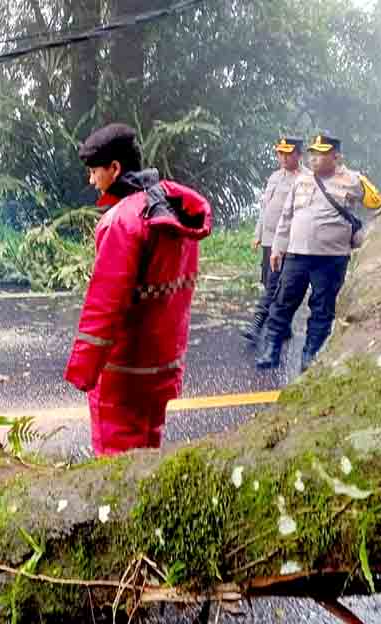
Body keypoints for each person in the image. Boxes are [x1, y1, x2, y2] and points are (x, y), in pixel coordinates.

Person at [64, 123, 213, 456]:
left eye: (93, 172)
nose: (91, 181)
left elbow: (105, 304)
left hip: (124, 372)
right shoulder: (174, 208)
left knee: (116, 461)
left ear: (115, 169)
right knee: (148, 449)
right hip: (162, 361)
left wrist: (84, 371)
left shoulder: (122, 221)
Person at [256, 134, 381, 372]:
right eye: (313, 153)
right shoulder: (302, 180)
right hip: (297, 254)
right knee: (283, 301)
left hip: (331, 258)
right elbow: (287, 216)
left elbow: (380, 208)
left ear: (336, 156)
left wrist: (363, 236)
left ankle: (310, 355)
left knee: (322, 308)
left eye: (322, 153)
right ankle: (271, 349)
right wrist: (277, 247)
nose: (315, 158)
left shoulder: (354, 181)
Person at [242, 137, 305, 344]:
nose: (283, 157)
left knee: (274, 283)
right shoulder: (275, 177)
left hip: (288, 242)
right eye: (280, 153)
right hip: (269, 239)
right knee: (271, 281)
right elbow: (265, 208)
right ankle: (284, 325)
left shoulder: (306, 179)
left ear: (298, 155)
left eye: (288, 153)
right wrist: (258, 234)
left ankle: (257, 323)